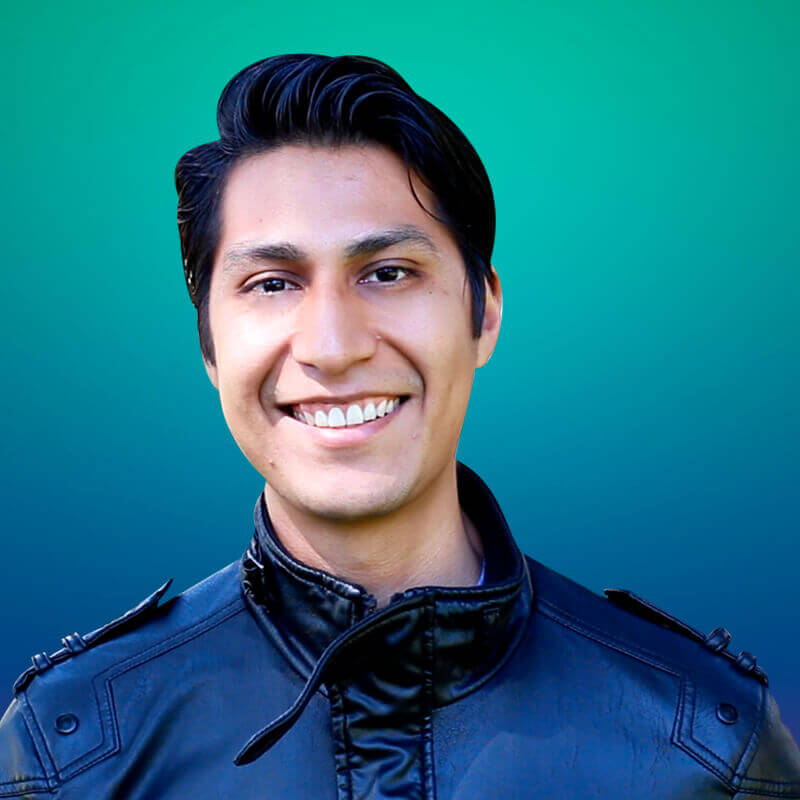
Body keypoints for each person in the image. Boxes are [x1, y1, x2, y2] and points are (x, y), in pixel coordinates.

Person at [1, 53, 798, 800]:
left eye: (387, 273)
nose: (332, 346)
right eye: (273, 283)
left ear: (484, 312)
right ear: (209, 344)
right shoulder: (67, 755)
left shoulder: (706, 744)